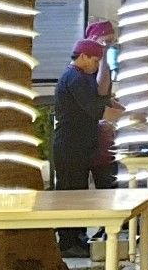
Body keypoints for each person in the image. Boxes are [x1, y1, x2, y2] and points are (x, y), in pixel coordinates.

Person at [51, 39, 119, 255]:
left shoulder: (84, 77)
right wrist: (127, 117)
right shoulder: (74, 78)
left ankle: (78, 237)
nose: (96, 65)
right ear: (82, 56)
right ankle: (68, 242)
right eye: (95, 60)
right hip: (70, 144)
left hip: (81, 144)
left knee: (78, 192)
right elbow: (96, 109)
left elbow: (102, 97)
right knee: (69, 193)